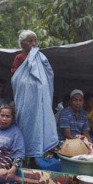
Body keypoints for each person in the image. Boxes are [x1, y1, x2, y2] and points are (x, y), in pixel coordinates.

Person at [11, 30, 58, 158]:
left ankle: (34, 156)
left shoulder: (41, 57)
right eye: (30, 40)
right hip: (25, 100)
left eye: (34, 40)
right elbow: (16, 78)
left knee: (37, 125)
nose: (33, 43)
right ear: (22, 43)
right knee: (25, 124)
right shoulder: (19, 58)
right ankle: (22, 156)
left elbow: (48, 74)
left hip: (38, 100)